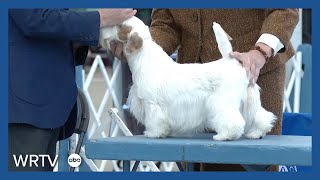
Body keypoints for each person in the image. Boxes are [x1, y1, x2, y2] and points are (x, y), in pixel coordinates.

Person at [111, 8, 299, 171]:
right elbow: (165, 23)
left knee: (246, 167)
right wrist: (141, 50)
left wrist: (261, 51)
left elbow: (285, 10)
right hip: (185, 86)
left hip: (252, 71)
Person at [8, 8, 136, 171]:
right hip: (24, 109)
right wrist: (101, 18)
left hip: (43, 107)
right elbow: (33, 18)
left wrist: (93, 33)